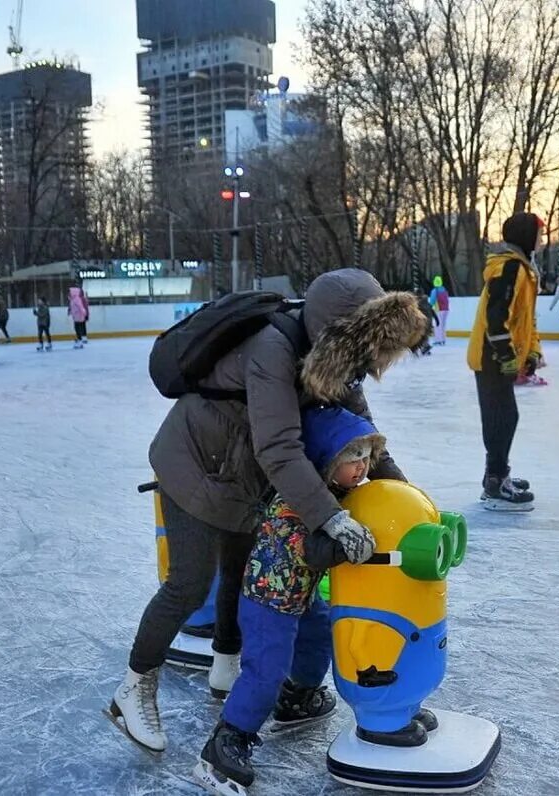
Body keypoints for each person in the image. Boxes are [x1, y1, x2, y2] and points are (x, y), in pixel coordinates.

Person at [110, 269, 429, 754]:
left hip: (246, 475)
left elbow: (361, 431)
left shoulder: (334, 358)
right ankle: (134, 687)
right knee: (190, 582)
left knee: (240, 576)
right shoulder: (272, 348)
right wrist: (332, 518)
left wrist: (407, 501)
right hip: (194, 464)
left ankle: (226, 668)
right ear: (340, 333)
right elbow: (279, 448)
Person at [194, 405, 385, 793]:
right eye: (352, 458)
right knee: (266, 671)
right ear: (326, 459)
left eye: (366, 458)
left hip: (302, 593)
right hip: (268, 600)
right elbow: (312, 551)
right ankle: (226, 742)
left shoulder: (333, 493)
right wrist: (347, 546)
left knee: (318, 640)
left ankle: (298, 697)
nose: (362, 467)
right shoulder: (296, 499)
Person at [467, 213, 543, 510]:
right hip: (491, 357)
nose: (541, 240)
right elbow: (496, 317)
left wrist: (532, 352)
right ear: (526, 236)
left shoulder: (524, 269)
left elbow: (525, 318)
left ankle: (496, 475)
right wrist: (507, 355)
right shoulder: (510, 268)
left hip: (500, 356)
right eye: (538, 234)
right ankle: (495, 482)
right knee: (501, 418)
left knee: (505, 417)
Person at [429, 276, 450, 346]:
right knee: (443, 325)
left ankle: (438, 340)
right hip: (446, 309)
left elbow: (432, 300)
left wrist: (429, 306)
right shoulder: (444, 290)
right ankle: (443, 340)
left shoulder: (435, 290)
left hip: (439, 309)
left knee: (437, 325)